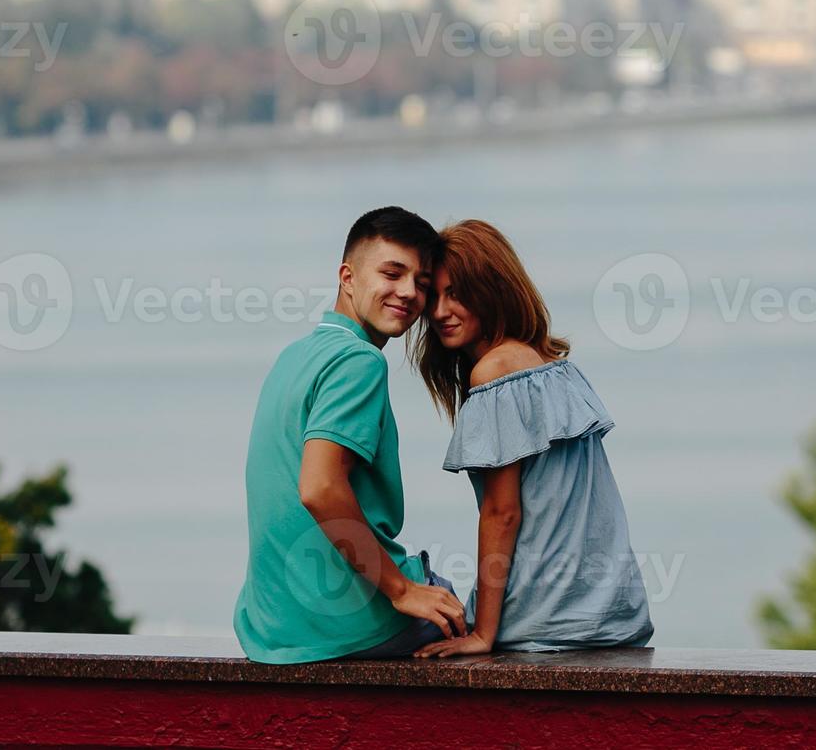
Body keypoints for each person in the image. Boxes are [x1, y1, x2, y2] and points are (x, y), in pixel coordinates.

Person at [234, 206, 468, 663]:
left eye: (421, 283)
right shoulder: (359, 362)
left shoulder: (295, 355)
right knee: (474, 619)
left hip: (270, 627)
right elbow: (319, 487)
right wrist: (401, 590)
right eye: (391, 273)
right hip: (341, 621)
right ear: (348, 277)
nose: (409, 293)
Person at [411, 219, 654, 657]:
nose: (440, 312)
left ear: (493, 291)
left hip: (542, 619)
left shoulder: (495, 372)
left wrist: (484, 633)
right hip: (611, 614)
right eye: (436, 296)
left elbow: (502, 512)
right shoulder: (555, 365)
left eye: (458, 294)